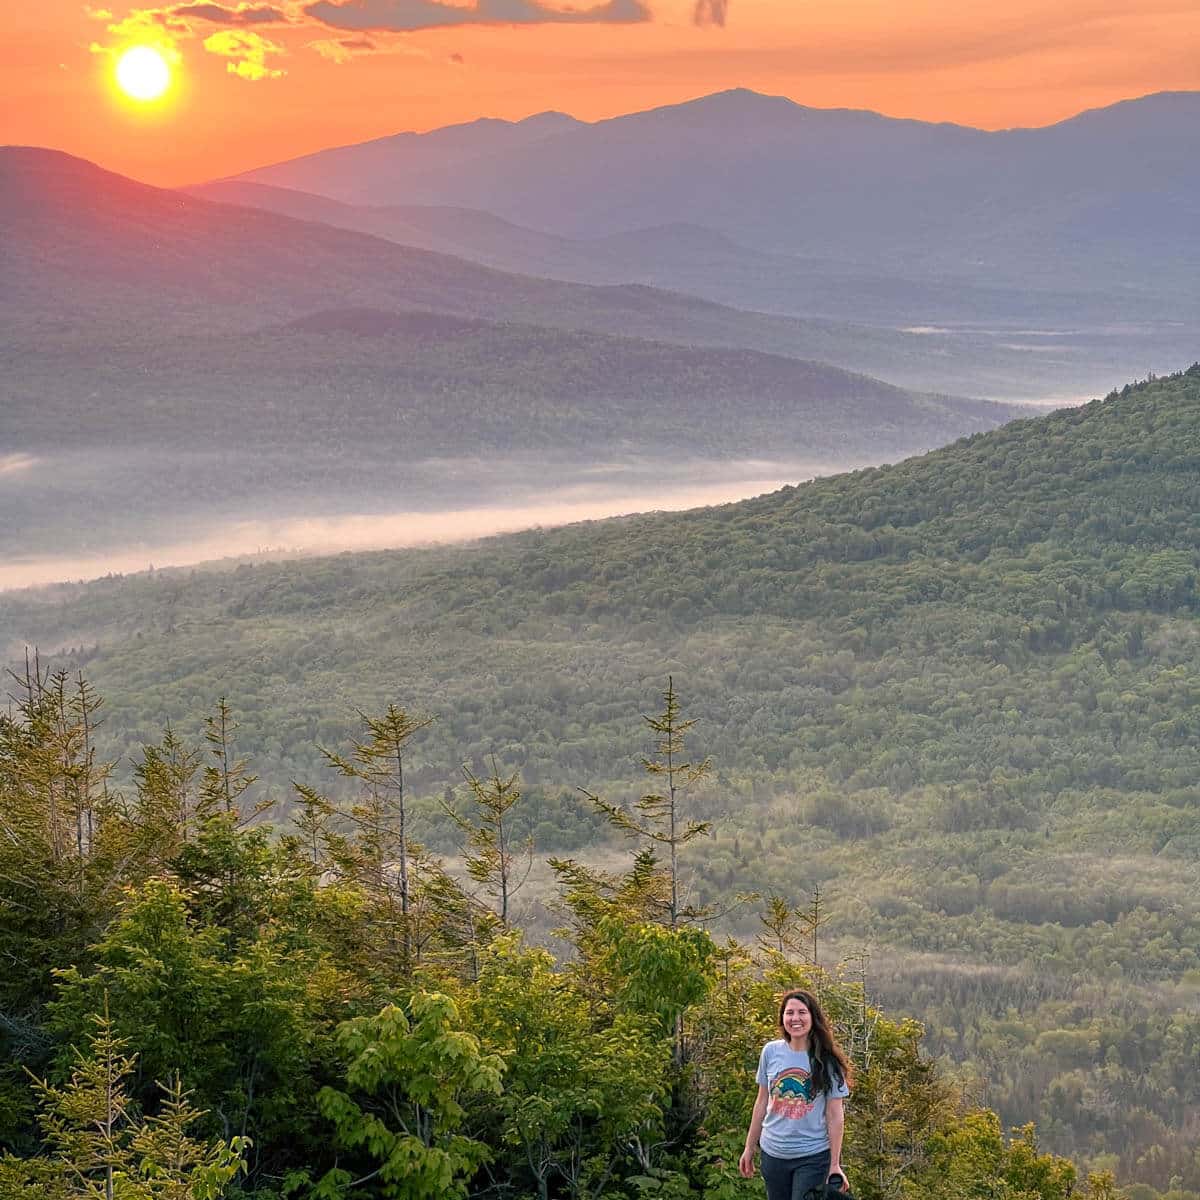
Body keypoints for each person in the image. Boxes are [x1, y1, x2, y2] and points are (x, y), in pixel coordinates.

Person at [739, 988, 853, 1200]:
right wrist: (749, 1147)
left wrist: (835, 1164)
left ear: (813, 1017)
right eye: (789, 1013)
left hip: (812, 1156)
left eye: (802, 1012)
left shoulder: (827, 1060)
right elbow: (762, 1102)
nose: (795, 1018)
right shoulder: (770, 1052)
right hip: (773, 1154)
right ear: (782, 1018)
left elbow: (835, 1115)